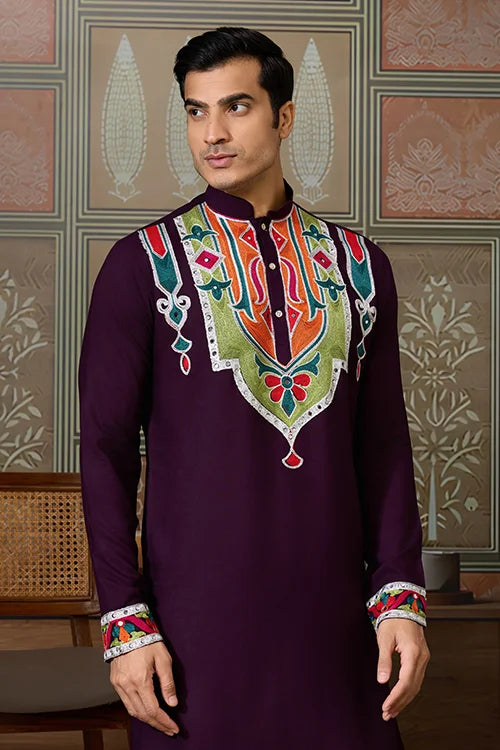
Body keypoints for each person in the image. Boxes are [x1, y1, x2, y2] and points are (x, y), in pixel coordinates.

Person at [78, 26, 430, 750]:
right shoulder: (139, 266)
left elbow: (384, 448)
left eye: (236, 106)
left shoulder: (360, 267)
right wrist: (125, 623)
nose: (212, 132)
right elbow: (105, 456)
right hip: (192, 638)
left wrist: (400, 597)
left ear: (284, 116)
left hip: (338, 631)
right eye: (195, 110)